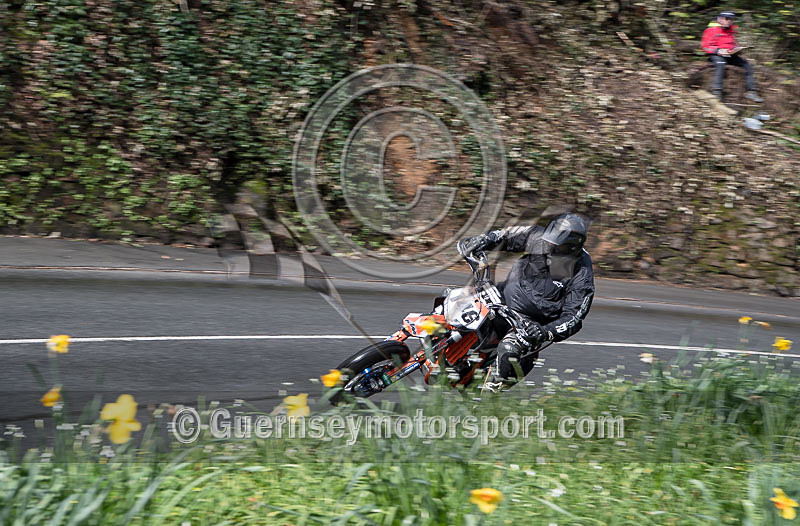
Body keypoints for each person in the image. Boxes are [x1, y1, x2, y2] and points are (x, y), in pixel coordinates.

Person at [457, 213, 595, 391]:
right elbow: (506, 236)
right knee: (455, 300)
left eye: (556, 246)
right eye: (550, 241)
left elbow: (574, 317)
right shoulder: (540, 237)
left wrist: (545, 332)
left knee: (510, 348)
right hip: (500, 297)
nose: (549, 247)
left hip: (529, 324)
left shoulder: (582, 273)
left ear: (571, 248)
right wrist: (484, 240)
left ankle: (490, 391)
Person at [701, 10, 763, 102]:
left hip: (730, 54)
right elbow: (705, 47)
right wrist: (718, 50)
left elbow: (733, 44)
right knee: (720, 64)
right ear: (720, 19)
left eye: (731, 19)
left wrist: (738, 49)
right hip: (716, 55)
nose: (729, 21)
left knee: (747, 66)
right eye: (727, 19)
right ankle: (717, 92)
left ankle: (751, 92)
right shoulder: (711, 30)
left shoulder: (731, 30)